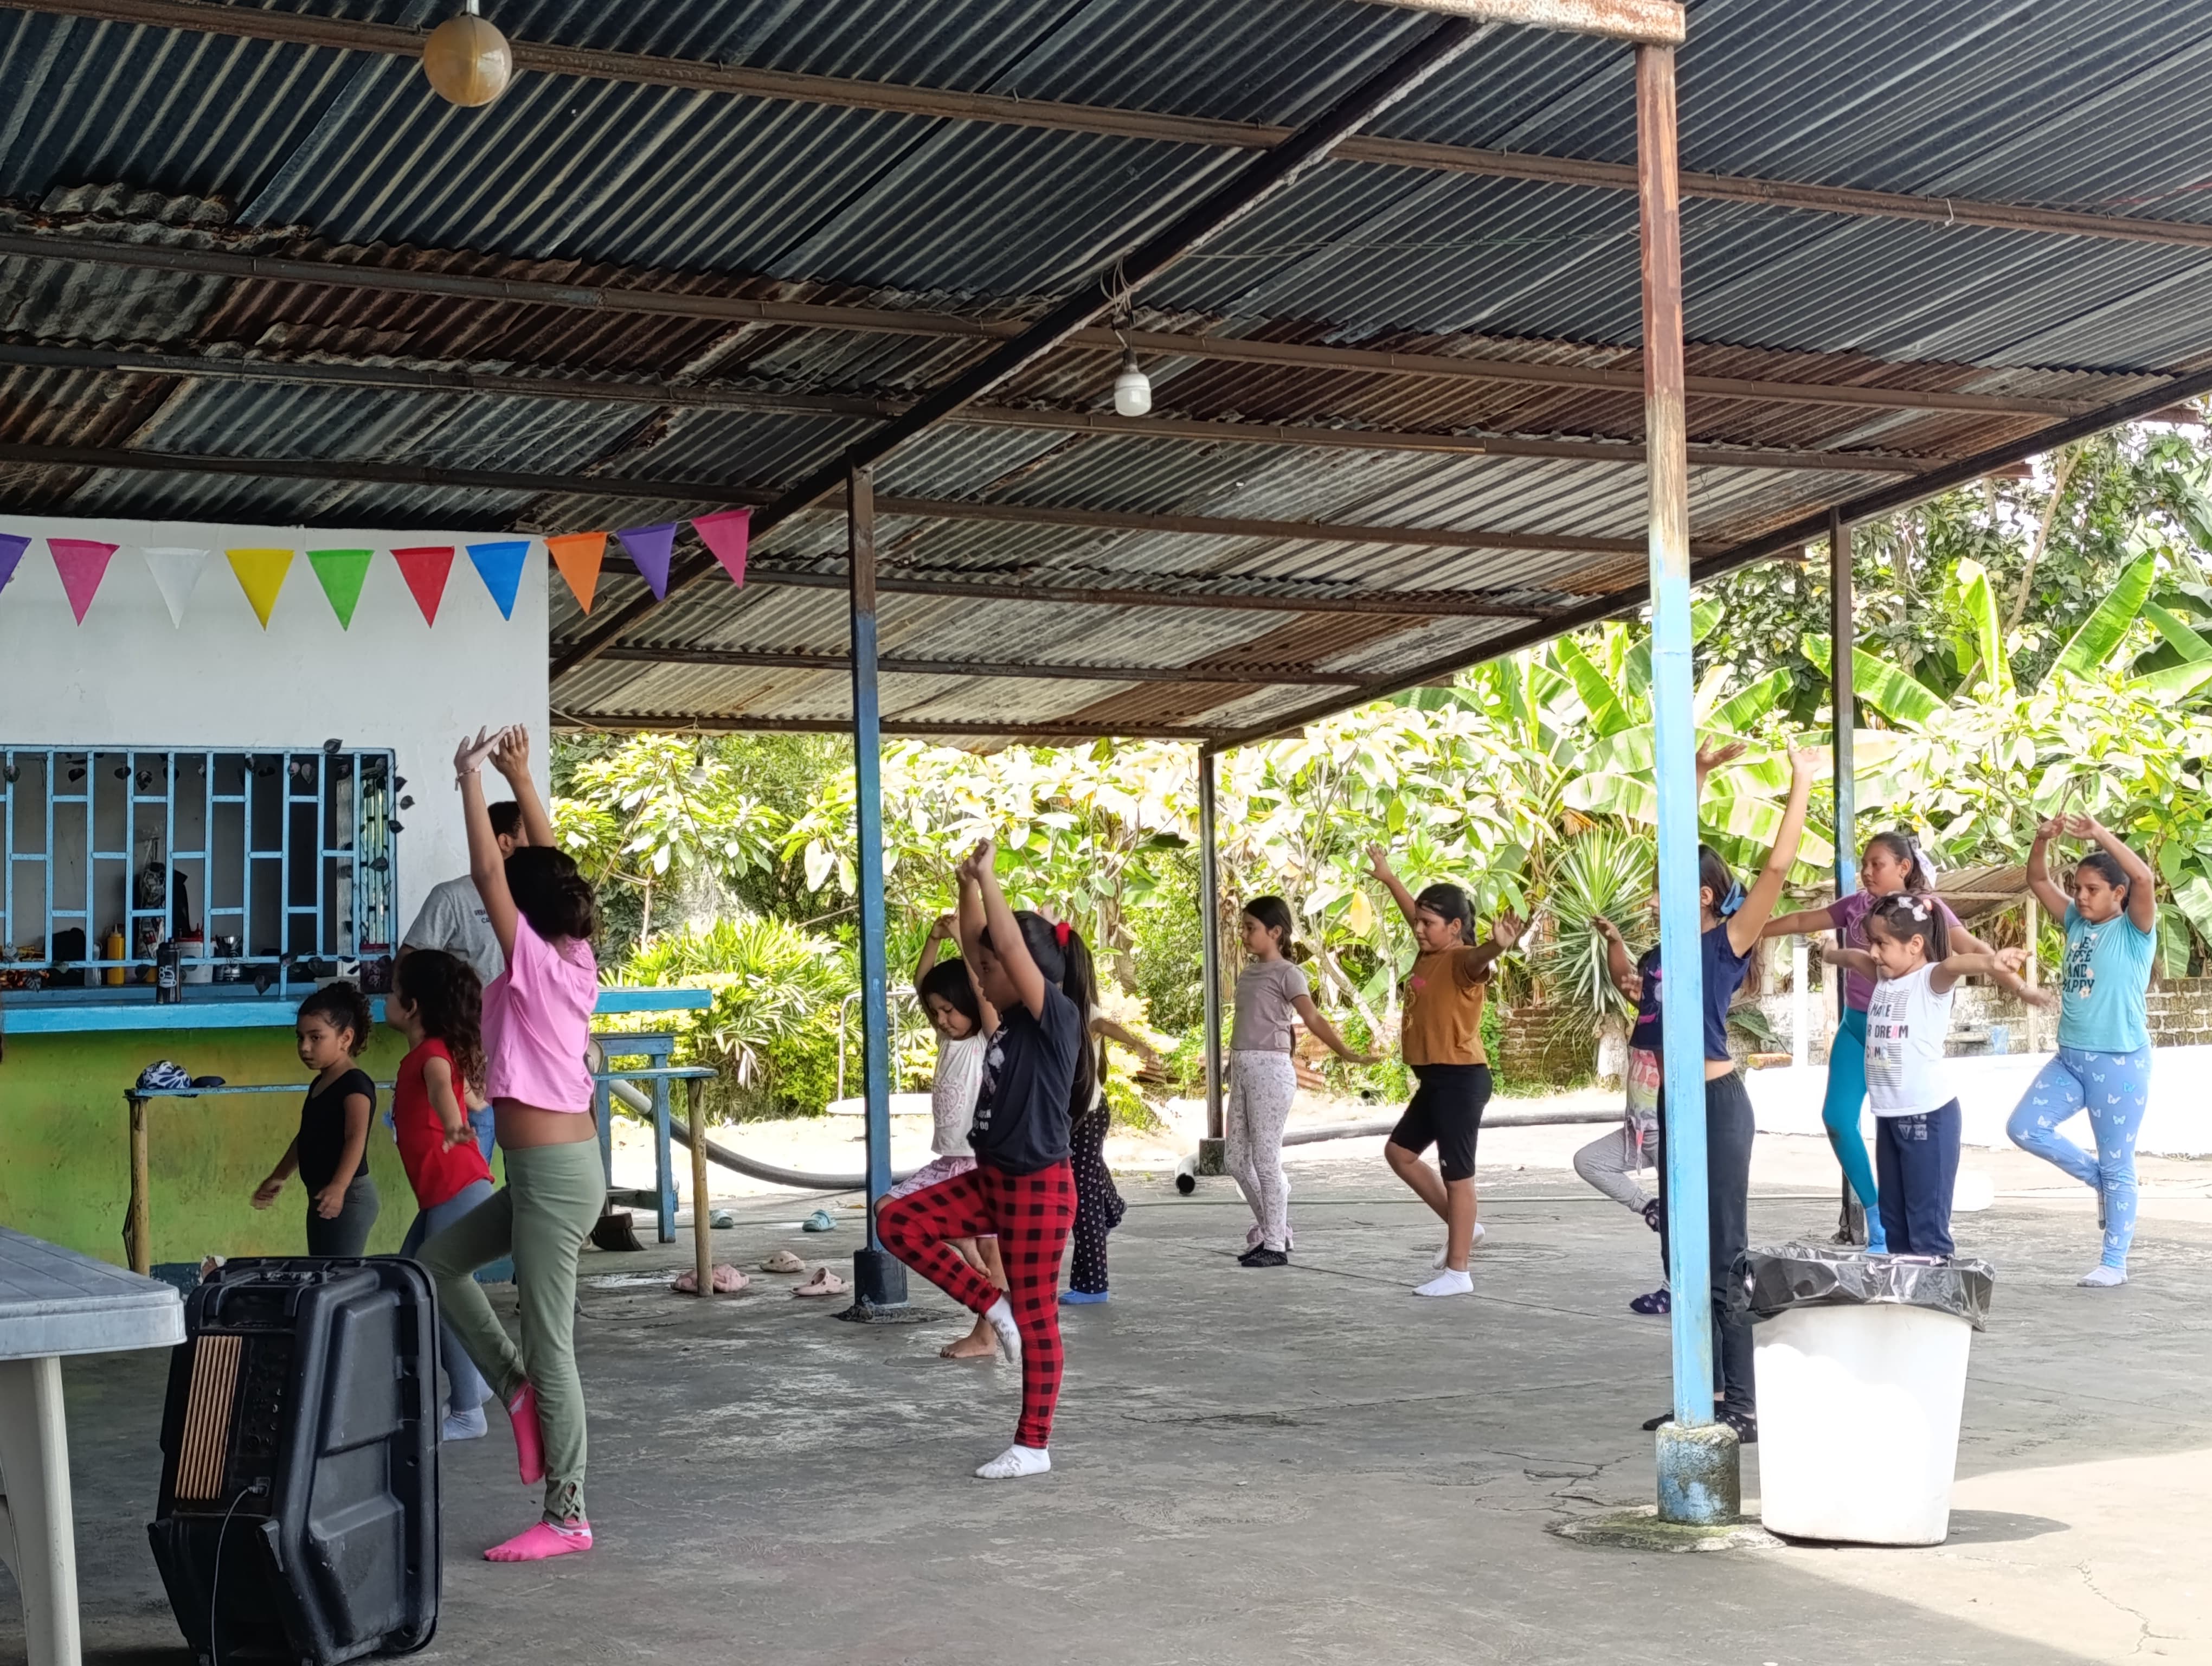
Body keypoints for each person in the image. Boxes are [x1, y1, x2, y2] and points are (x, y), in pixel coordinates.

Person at [417, 725, 605, 1562]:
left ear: (520, 915)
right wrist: (521, 779)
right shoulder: (574, 954)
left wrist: (469, 779)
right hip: (548, 1172)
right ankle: (516, 1393)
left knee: (551, 1343)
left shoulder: (533, 964)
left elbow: (498, 873)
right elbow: (547, 863)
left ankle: (569, 1516)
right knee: (437, 1266)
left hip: (555, 1177)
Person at [878, 838, 1089, 1480]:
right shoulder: (1007, 1023)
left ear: (1024, 971)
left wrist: (992, 882)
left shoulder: (1056, 1019)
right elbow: (979, 944)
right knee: (896, 1220)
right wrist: (967, 884)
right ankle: (993, 1306)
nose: (980, 977)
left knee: (1039, 1318)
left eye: (990, 969)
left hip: (1038, 1188)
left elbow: (1008, 950)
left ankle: (1033, 1446)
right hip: (989, 1178)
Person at [1643, 745, 1823, 1444]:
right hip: (1675, 1106)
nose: (1655, 895)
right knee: (1678, 1258)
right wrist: (1695, 778)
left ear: (1704, 895)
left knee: (1723, 1259)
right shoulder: (1665, 949)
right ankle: (1704, 1393)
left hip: (1717, 1109)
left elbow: (1775, 869)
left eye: (1669, 886)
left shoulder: (1728, 941)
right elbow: (1676, 843)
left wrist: (1800, 781)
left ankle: (1742, 1404)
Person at [1763, 830, 1989, 1253]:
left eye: (1876, 864)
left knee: (1912, 1152)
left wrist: (2005, 968)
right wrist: (1749, 930)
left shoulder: (1925, 911)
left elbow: (1966, 950)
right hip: (1856, 1028)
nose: (1867, 872)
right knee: (1837, 1119)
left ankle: (1920, 1241)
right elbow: (1802, 922)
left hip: (1901, 1041)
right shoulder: (1855, 907)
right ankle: (1876, 1219)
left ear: (1904, 867)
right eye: (1864, 864)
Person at [1823, 896, 2049, 1255]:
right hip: (1890, 1118)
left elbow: (1956, 963)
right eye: (1872, 943)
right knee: (1895, 1226)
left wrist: (1991, 962)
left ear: (1915, 945)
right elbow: (1853, 957)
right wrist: (1830, 953)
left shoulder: (1930, 981)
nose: (1874, 953)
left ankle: (1938, 1286)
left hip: (1928, 1118)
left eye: (1882, 944)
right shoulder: (1883, 977)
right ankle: (1904, 1288)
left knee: (1926, 1229)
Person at [1365, 844, 1526, 1298]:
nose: (1418, 928)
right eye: (1418, 921)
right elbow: (1411, 912)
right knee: (1399, 1153)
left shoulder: (1461, 960)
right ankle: (1464, 1227)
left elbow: (1479, 959)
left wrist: (1497, 945)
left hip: (1460, 1078)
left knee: (1458, 1175)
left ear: (1455, 928)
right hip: (1435, 1080)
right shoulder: (1429, 950)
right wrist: (1389, 877)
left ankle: (1459, 1272)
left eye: (1428, 923)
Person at [2007, 812, 2159, 1286]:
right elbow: (2037, 879)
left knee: (2119, 1163)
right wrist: (2041, 839)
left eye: (2093, 889)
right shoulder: (2075, 920)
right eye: (2078, 888)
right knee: (2024, 1128)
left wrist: (2099, 834)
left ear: (2118, 894)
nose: (2081, 897)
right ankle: (2100, 1181)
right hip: (2070, 1058)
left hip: (2119, 1062)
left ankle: (2114, 1263)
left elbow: (2144, 878)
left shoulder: (2135, 931)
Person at [386, 947, 499, 1441]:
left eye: (393, 992)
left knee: (437, 1293)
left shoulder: (432, 1055)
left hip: (457, 1186)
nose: (386, 999)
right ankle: (479, 1381)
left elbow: (442, 1091)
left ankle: (467, 1410)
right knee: (409, 1282)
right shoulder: (433, 1053)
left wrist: (454, 1123)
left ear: (411, 1006)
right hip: (447, 1192)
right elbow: (475, 1098)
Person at [1226, 895, 1377, 1267]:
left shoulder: (1289, 973)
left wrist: (1346, 1053)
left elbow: (1312, 1018)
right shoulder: (1248, 973)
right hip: (1243, 1068)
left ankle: (1275, 1244)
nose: (1244, 935)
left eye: (1251, 928)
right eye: (1243, 927)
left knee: (1265, 1160)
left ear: (1275, 932)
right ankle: (1274, 1229)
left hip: (1270, 1070)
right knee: (1235, 1160)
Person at [892, 904, 1005, 1361]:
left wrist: (961, 939)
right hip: (951, 1160)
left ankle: (986, 1334)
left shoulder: (985, 1040)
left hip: (978, 1162)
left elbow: (980, 990)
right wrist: (933, 940)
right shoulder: (948, 1038)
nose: (941, 1019)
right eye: (937, 1012)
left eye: (949, 1010)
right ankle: (963, 1246)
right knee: (891, 1209)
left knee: (993, 1253)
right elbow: (923, 984)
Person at [400, 797, 525, 1164]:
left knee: (531, 1182)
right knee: (472, 1175)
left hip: (524, 1063)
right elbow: (409, 966)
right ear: (505, 842)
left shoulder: (536, 900)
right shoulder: (452, 897)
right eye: (529, 834)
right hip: (473, 1064)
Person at [253, 983, 380, 1254]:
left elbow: (355, 1139)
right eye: (300, 1038)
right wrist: (278, 1177)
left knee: (338, 1274)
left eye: (316, 1038)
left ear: (346, 1038)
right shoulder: (320, 1084)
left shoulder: (356, 1086)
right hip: (322, 1194)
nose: (305, 1048)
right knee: (322, 1269)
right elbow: (307, 1137)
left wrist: (339, 1187)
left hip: (350, 1198)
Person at [1584, 916, 1667, 1310]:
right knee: (1588, 1161)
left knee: (1684, 1216)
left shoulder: (1677, 1019)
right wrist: (1614, 941)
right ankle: (1649, 1208)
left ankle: (1674, 1287)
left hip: (1665, 1131)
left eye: (1648, 979)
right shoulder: (1647, 1013)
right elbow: (1622, 979)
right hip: (1637, 1133)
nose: (1638, 984)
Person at [1062, 1005, 1161, 1305]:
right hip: (1073, 1115)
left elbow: (1103, 1025)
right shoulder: (1050, 1006)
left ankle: (1092, 1286)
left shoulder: (1079, 1010)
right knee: (1088, 1174)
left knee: (1084, 1196)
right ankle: (1113, 1208)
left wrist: (1137, 1044)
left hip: (1087, 1115)